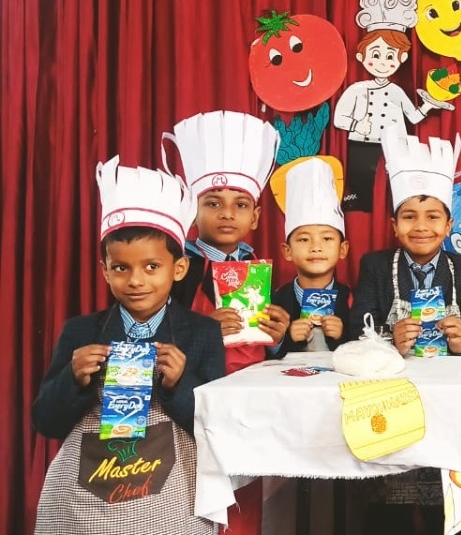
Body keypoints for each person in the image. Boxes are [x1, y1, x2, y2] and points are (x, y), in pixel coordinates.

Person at [32, 157, 224, 534]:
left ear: (179, 269)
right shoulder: (80, 331)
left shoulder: (202, 333)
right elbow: (45, 421)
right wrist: (73, 378)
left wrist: (179, 384)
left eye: (152, 267)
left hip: (170, 503)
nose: (136, 281)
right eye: (121, 268)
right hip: (86, 504)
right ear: (105, 271)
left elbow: (217, 427)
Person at [348, 132, 461, 534]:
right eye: (409, 216)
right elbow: (358, 326)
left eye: (432, 217)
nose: (422, 226)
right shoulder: (376, 266)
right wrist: (388, 339)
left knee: (449, 495)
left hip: (451, 396)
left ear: (449, 225)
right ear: (394, 226)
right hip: (393, 396)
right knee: (391, 497)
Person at [162, 110, 291, 535]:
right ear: (193, 210)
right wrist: (204, 329)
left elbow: (264, 346)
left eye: (240, 205)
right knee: (194, 501)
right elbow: (157, 334)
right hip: (193, 403)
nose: (227, 214)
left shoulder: (258, 269)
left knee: (244, 502)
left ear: (255, 216)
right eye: (213, 203)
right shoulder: (178, 268)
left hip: (248, 402)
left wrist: (276, 337)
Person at [333, 0, 450, 212]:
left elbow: (413, 117)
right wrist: (357, 125)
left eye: (390, 56)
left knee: (397, 190)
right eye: (375, 54)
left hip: (395, 144)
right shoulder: (357, 89)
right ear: (361, 56)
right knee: (358, 192)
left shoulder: (396, 91)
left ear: (402, 59)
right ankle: (357, 215)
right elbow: (339, 118)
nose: (382, 62)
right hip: (363, 142)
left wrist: (428, 105)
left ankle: (397, 213)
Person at [266, 156, 353, 354]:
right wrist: (286, 339)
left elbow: (364, 345)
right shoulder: (276, 300)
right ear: (287, 251)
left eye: (327, 239)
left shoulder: (350, 298)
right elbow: (264, 353)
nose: (316, 247)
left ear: (343, 249)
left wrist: (342, 336)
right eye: (304, 239)